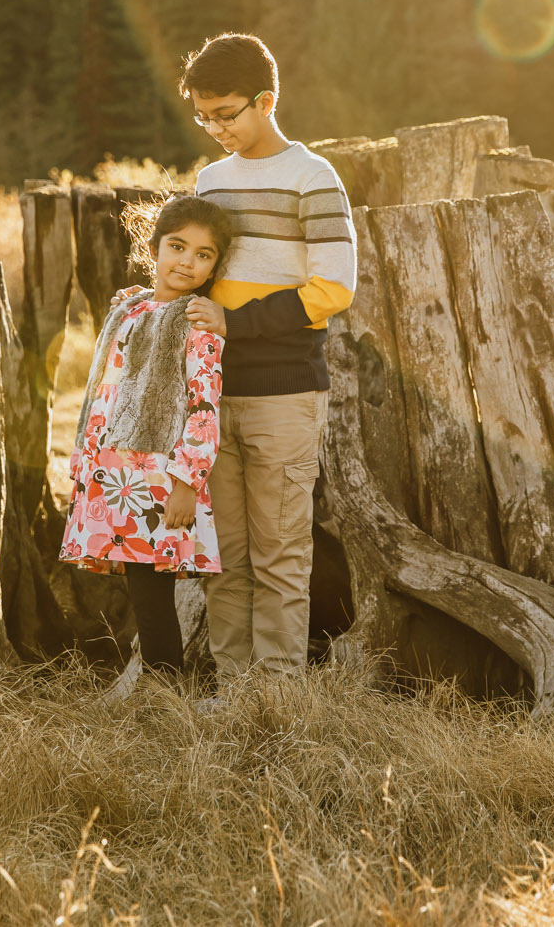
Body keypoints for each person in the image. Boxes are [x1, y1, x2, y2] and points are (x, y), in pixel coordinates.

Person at [179, 33, 355, 679]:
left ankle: (277, 696)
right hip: (211, 396)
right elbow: (196, 273)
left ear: (266, 99)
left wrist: (235, 322)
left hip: (285, 393)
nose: (216, 128)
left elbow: (332, 288)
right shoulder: (211, 182)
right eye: (204, 116)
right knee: (224, 554)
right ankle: (232, 687)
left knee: (281, 552)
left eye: (227, 113)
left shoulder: (313, 177)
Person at [57, 194, 235, 677]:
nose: (188, 262)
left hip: (156, 477)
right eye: (178, 247)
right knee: (139, 589)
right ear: (153, 246)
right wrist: (85, 462)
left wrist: (186, 483)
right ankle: (156, 690)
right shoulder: (129, 309)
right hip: (113, 471)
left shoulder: (198, 324)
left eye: (204, 255)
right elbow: (105, 388)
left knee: (153, 597)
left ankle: (166, 696)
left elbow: (203, 408)